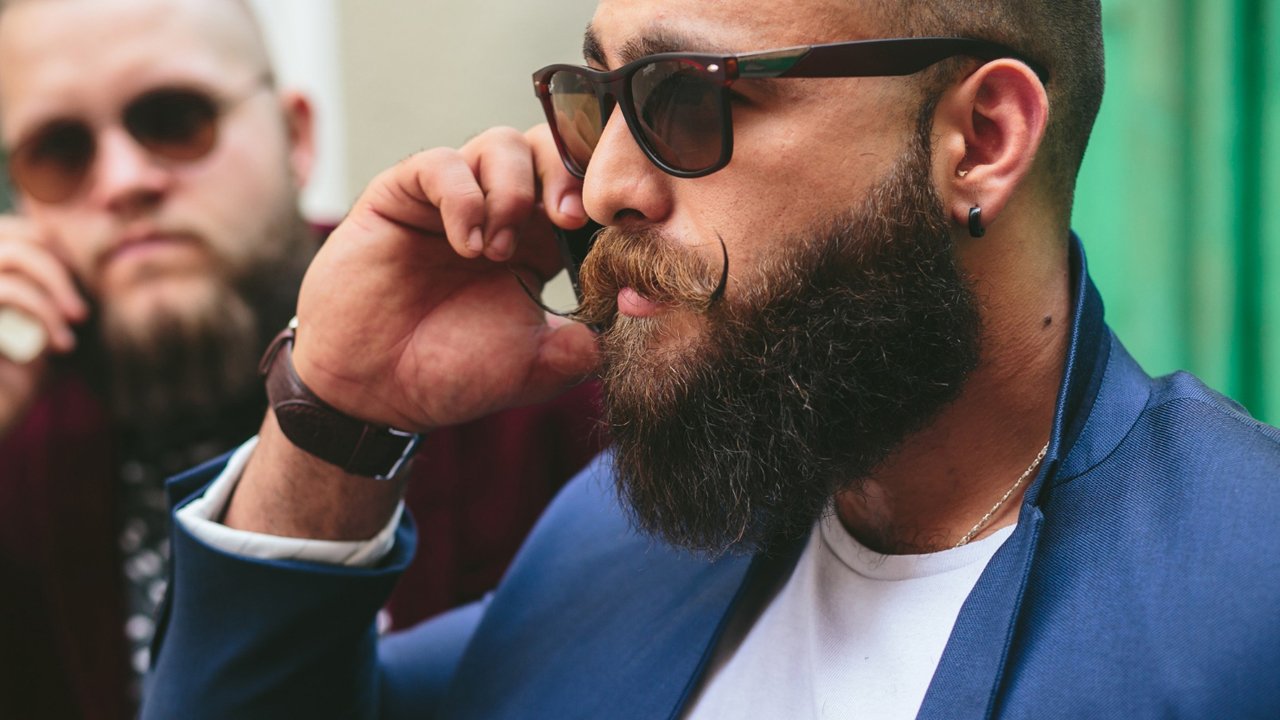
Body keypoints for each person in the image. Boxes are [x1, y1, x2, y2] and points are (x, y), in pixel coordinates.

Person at [145, 0, 1280, 717]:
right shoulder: (624, 541)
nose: (596, 191)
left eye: (685, 100)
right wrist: (337, 418)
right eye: (596, 101)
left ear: (978, 142)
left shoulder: (1241, 599)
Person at [0, 0, 603, 717]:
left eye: (174, 119)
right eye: (60, 153)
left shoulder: (506, 353)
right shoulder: (17, 431)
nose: (124, 180)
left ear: (296, 137)